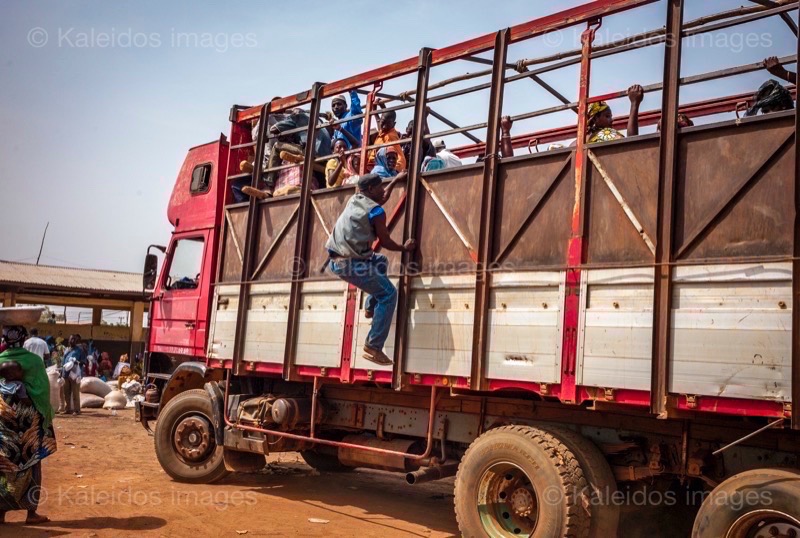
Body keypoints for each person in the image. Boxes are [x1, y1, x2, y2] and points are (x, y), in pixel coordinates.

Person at [325, 173, 416, 365]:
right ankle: (373, 346)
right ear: (369, 190)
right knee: (389, 294)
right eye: (379, 187)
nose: (383, 190)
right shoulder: (376, 212)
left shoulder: (356, 199)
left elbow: (381, 199)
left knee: (380, 261)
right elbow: (385, 241)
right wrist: (404, 247)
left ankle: (370, 308)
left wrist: (396, 180)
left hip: (339, 260)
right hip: (351, 264)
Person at [0, 325, 55, 525]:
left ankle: (1, 513)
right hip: (28, 422)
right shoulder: (34, 361)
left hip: (3, 422)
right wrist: (45, 416)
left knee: (3, 464)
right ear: (23, 339)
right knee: (32, 463)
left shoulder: (0, 359)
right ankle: (31, 514)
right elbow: (41, 392)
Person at [242, 118, 305, 199]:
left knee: (276, 147)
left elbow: (274, 129)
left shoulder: (292, 118)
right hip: (300, 151)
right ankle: (267, 193)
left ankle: (268, 183)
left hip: (304, 150)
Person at [61, 334, 86, 415]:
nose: (72, 341)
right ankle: (68, 409)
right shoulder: (66, 350)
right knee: (66, 393)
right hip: (66, 373)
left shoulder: (79, 350)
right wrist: (61, 373)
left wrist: (76, 362)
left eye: (74, 340)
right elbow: (63, 362)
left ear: (76, 341)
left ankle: (77, 410)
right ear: (68, 340)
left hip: (75, 374)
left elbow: (83, 362)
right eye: (71, 339)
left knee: (75, 393)